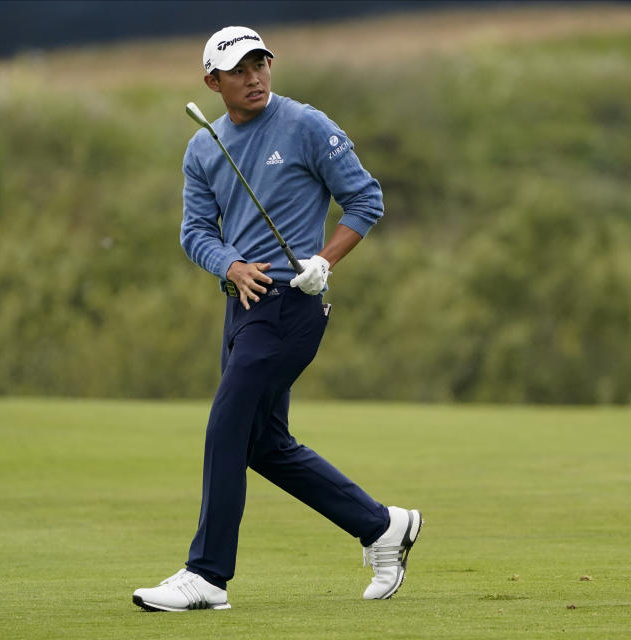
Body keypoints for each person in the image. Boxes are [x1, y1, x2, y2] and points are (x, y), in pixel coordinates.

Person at [131, 26, 422, 612]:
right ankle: (381, 526)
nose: (255, 76)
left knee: (225, 428)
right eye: (239, 69)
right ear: (212, 82)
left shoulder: (307, 125)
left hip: (292, 307)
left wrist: (322, 259)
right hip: (241, 309)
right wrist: (230, 265)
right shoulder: (204, 146)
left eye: (261, 63)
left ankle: (207, 576)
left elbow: (365, 199)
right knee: (264, 444)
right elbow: (195, 233)